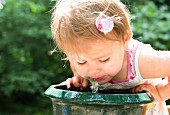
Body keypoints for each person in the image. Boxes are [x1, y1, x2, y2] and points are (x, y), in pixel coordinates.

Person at [51, 0, 170, 114]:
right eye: (81, 62)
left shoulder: (141, 62)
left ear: (125, 40)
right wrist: (78, 77)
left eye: (104, 60)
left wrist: (160, 93)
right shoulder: (83, 57)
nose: (93, 71)